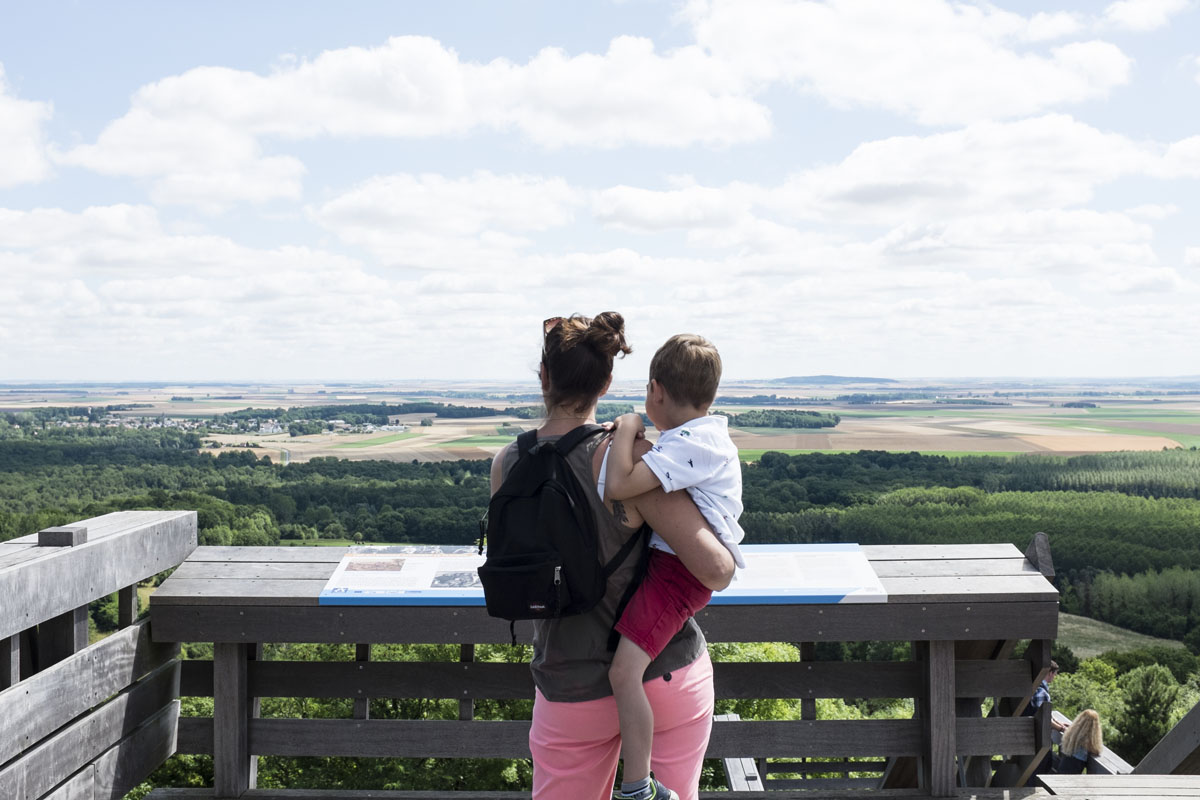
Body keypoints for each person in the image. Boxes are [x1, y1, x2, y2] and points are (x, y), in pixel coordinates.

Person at [490, 313, 736, 800]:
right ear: (606, 382)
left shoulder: (508, 465)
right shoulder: (629, 458)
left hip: (567, 683)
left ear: (543, 377)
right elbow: (714, 569)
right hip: (663, 674)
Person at [603, 334, 745, 800]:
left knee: (624, 673)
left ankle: (636, 787)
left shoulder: (692, 444)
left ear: (656, 390)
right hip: (675, 566)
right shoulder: (698, 438)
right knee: (626, 671)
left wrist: (628, 427)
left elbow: (623, 486)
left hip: (677, 574)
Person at [1056, 709, 1103, 774]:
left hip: (1066, 761)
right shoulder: (1086, 739)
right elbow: (1095, 750)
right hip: (1076, 764)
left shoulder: (1075, 733)